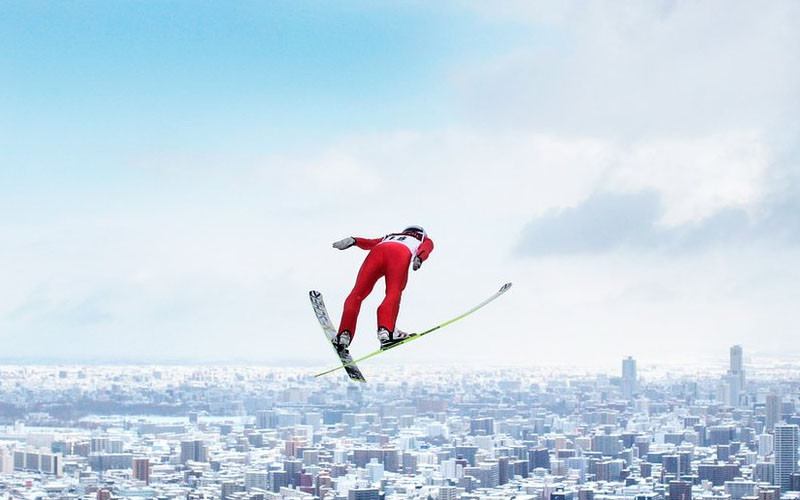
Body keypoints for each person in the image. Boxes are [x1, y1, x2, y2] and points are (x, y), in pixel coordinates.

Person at [331, 225, 434, 353]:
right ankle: (386, 330)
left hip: (377, 252)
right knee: (393, 292)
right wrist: (419, 258)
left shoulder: (390, 236)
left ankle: (344, 335)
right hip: (399, 254)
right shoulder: (423, 238)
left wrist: (354, 240)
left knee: (357, 293)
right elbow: (426, 248)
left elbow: (370, 243)